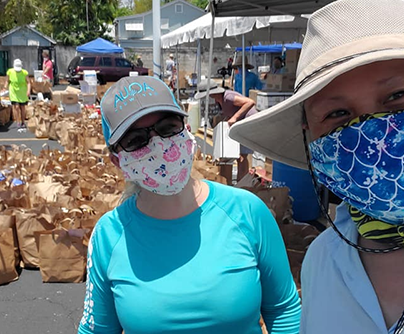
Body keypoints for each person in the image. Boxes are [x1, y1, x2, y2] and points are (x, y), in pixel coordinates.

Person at [230, 0, 404, 333]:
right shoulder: (324, 259)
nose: (371, 133)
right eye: (337, 115)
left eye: (398, 96)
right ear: (311, 139)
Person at [78, 76, 301, 334]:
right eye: (136, 140)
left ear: (185, 129)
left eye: (167, 126)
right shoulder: (110, 234)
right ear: (118, 161)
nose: (158, 144)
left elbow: (284, 311)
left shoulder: (248, 212)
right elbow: (97, 330)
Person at [195, 79, 257, 183]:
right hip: (241, 126)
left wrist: (235, 118)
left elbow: (250, 102)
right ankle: (242, 182)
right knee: (240, 156)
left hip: (248, 124)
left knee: (242, 156)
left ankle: (242, 183)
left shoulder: (228, 97)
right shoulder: (220, 101)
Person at [4, 59, 31, 129]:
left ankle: (23, 121)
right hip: (14, 91)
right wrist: (4, 87)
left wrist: (28, 90)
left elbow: (28, 82)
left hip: (22, 92)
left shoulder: (24, 72)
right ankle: (17, 121)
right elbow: (7, 81)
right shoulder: (10, 72)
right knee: (16, 107)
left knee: (22, 107)